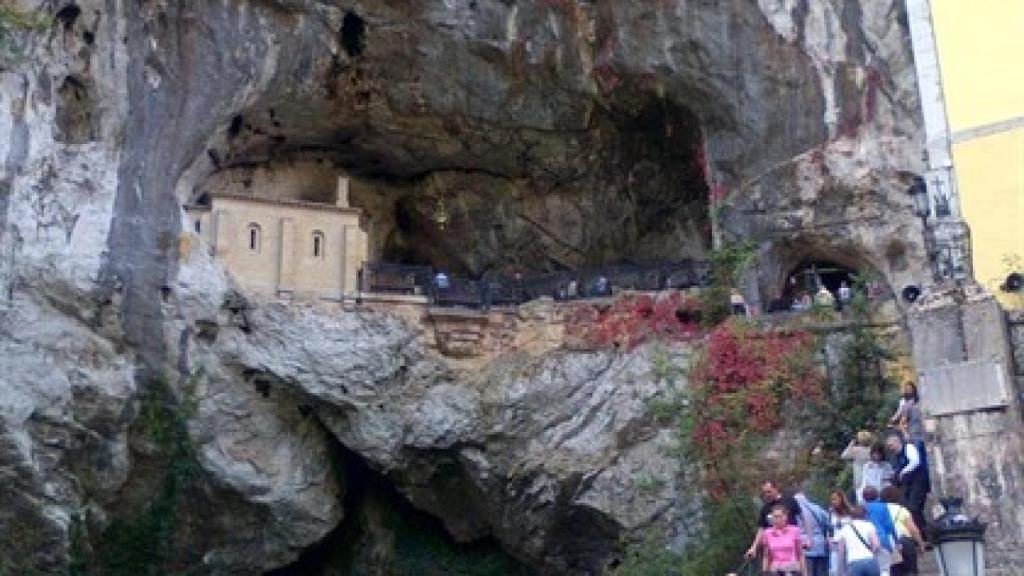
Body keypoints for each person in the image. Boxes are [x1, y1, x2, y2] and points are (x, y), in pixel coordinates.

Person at [745, 481, 803, 561]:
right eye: (765, 493)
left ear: (776, 489)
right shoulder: (765, 509)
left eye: (769, 492)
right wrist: (753, 547)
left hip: (791, 546)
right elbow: (761, 529)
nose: (767, 495)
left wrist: (808, 537)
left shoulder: (790, 501)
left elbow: (802, 518)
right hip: (774, 549)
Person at [886, 432, 928, 537]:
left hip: (918, 481)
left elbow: (915, 461)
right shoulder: (896, 456)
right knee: (910, 509)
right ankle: (921, 535)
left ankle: (925, 535)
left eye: (891, 445)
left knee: (914, 508)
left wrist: (903, 472)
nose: (890, 448)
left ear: (896, 442)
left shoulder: (908, 448)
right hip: (908, 484)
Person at [881, 486, 926, 576]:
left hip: (891, 544)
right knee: (911, 571)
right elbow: (913, 530)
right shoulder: (902, 510)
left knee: (895, 572)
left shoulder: (881, 510)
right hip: (905, 542)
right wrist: (921, 544)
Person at [761, 504, 807, 576]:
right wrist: (764, 572)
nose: (776, 519)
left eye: (779, 516)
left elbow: (800, 554)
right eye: (774, 517)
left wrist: (804, 573)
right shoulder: (767, 533)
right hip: (775, 571)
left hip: (791, 569)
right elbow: (766, 556)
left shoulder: (794, 531)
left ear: (785, 517)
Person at [835, 505, 882, 576]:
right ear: (865, 515)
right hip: (870, 561)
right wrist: (873, 552)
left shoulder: (844, 529)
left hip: (854, 563)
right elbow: (877, 545)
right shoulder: (869, 525)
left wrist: (841, 570)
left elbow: (841, 551)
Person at [862, 486, 897, 576]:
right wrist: (896, 539)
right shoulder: (882, 507)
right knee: (884, 569)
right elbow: (889, 525)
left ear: (863, 497)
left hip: (867, 542)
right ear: (876, 495)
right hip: (882, 540)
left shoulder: (861, 509)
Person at [794, 492, 830, 576]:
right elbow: (828, 524)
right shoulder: (817, 508)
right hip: (821, 546)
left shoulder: (795, 511)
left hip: (805, 547)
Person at [842, 431, 874, 502]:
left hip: (859, 479)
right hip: (871, 479)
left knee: (861, 501)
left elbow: (844, 455)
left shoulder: (855, 450)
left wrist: (851, 443)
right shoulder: (872, 450)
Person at [828, 489, 854, 576]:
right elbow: (829, 527)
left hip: (848, 543)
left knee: (847, 570)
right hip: (835, 543)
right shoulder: (831, 512)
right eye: (832, 499)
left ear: (841, 499)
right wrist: (829, 538)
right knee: (835, 570)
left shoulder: (850, 511)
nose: (833, 501)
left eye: (835, 499)